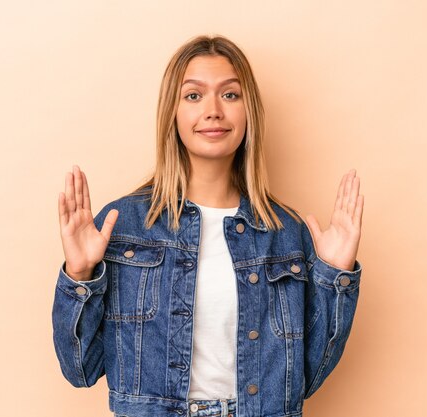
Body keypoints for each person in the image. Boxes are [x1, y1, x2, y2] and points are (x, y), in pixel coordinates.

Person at [52, 34, 364, 417]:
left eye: (230, 95)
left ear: (249, 112)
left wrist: (336, 277)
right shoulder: (124, 226)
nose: (214, 110)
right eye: (194, 96)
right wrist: (79, 275)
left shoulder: (286, 233)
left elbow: (307, 378)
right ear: (173, 111)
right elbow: (80, 370)